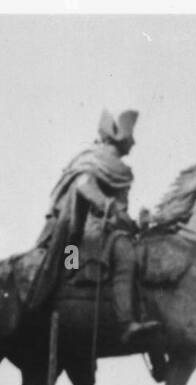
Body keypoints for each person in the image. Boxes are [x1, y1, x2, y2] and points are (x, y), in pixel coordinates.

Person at [34, 109, 158, 344]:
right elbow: (84, 185)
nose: (134, 143)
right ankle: (126, 322)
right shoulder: (93, 158)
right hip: (81, 230)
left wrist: (137, 223)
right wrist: (109, 207)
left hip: (108, 228)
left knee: (145, 256)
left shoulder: (122, 170)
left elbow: (120, 212)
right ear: (120, 139)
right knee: (126, 257)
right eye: (131, 138)